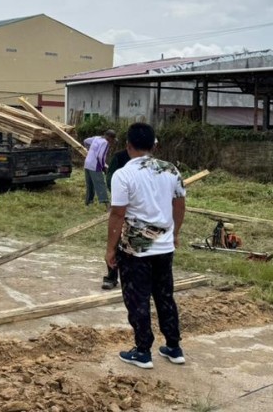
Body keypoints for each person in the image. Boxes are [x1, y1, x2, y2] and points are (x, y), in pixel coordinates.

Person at [106, 123, 186, 369]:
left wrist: (110, 249)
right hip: (164, 247)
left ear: (128, 145)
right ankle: (174, 347)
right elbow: (179, 205)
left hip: (135, 250)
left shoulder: (123, 175)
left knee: (137, 299)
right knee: (165, 296)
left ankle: (143, 351)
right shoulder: (171, 170)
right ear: (154, 145)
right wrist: (175, 233)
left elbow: (117, 214)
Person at [100, 145, 132, 290]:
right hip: (121, 204)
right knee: (116, 239)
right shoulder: (120, 157)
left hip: (139, 211)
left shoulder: (151, 164)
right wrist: (119, 195)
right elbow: (110, 177)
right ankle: (112, 276)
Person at [82, 130, 116, 206]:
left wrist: (89, 149)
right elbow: (101, 156)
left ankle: (88, 202)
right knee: (100, 183)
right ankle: (106, 203)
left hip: (87, 163)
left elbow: (86, 141)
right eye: (112, 139)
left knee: (90, 184)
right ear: (109, 138)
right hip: (95, 165)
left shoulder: (96, 138)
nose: (112, 141)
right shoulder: (105, 143)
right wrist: (103, 166)